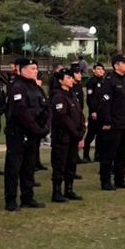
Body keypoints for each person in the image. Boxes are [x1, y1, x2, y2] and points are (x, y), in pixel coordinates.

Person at [4, 57, 48, 210]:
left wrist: (43, 127)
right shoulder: (18, 87)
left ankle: (27, 198)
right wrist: (36, 128)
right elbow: (21, 112)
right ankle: (11, 200)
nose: (35, 71)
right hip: (18, 133)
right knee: (13, 168)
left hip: (32, 134)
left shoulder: (36, 87)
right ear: (21, 70)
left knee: (29, 168)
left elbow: (44, 107)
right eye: (32, 68)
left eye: (36, 68)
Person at [96, 53, 125, 189]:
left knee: (123, 154)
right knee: (109, 154)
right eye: (123, 63)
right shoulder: (110, 81)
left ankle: (120, 179)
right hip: (113, 124)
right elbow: (105, 103)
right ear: (116, 65)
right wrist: (107, 122)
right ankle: (106, 181)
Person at [48, 67, 85, 202]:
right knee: (60, 164)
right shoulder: (58, 96)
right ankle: (57, 192)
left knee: (71, 163)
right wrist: (75, 132)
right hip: (62, 136)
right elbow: (62, 117)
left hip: (73, 137)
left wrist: (81, 130)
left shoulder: (72, 95)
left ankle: (69, 189)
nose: (71, 80)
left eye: (71, 78)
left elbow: (80, 113)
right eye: (68, 78)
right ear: (61, 80)